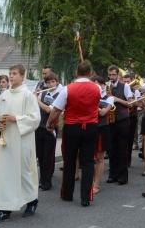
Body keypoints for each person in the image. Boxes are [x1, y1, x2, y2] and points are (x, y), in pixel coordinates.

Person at [0, 64, 41, 222]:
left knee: (23, 171)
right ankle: (5, 209)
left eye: (14, 74)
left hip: (22, 139)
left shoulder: (28, 95)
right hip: (7, 139)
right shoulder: (5, 95)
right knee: (5, 173)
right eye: (10, 73)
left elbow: (35, 118)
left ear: (22, 76)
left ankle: (32, 201)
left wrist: (16, 119)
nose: (11, 76)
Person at [47, 62, 101, 206]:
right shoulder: (97, 88)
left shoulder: (67, 89)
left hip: (72, 127)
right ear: (90, 74)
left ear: (76, 73)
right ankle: (85, 197)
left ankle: (68, 194)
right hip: (90, 127)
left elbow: (57, 109)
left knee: (70, 160)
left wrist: (49, 122)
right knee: (88, 161)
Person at [106, 65, 133, 185]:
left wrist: (117, 99)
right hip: (111, 121)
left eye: (113, 75)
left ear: (118, 75)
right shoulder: (107, 86)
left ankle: (123, 176)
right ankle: (113, 174)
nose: (111, 77)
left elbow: (131, 103)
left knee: (122, 148)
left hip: (122, 119)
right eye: (110, 75)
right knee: (112, 149)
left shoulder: (125, 86)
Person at [36, 72, 61, 191]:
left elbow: (48, 110)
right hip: (40, 126)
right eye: (48, 82)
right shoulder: (44, 93)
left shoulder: (59, 94)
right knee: (40, 155)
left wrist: (36, 99)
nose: (51, 84)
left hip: (51, 127)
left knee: (48, 155)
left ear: (57, 82)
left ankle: (47, 181)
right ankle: (43, 178)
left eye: (52, 82)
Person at [91, 75, 114, 194]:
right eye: (93, 84)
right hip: (90, 127)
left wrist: (93, 104)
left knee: (99, 158)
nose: (97, 86)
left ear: (103, 85)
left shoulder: (109, 98)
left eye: (99, 84)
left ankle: (97, 184)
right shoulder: (88, 96)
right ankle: (90, 181)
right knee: (90, 158)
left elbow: (103, 112)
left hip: (102, 128)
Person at [123, 74, 141, 167]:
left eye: (128, 82)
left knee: (130, 139)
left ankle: (127, 160)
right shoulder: (121, 89)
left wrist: (133, 98)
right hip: (122, 116)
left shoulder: (135, 91)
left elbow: (138, 105)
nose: (126, 83)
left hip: (132, 116)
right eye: (124, 81)